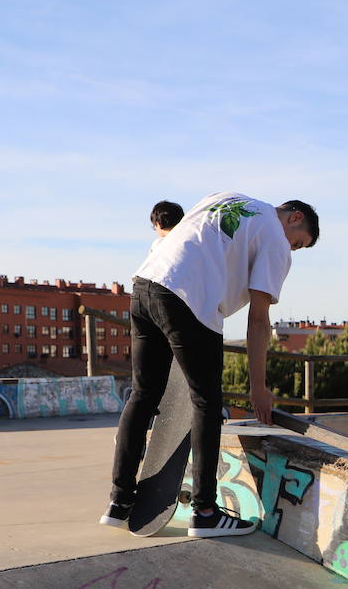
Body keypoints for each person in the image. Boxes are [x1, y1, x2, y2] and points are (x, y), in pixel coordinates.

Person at [102, 192, 319, 537]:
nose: (292, 250)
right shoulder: (276, 238)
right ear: (294, 218)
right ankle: (205, 512)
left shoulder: (226, 197)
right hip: (189, 299)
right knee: (205, 401)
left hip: (145, 287)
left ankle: (119, 501)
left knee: (143, 395)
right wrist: (258, 387)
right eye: (299, 243)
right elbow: (259, 320)